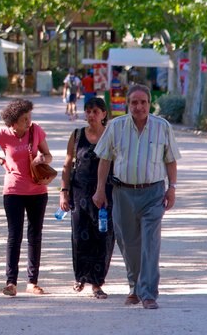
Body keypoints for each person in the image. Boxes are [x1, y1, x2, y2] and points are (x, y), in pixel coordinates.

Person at [92, 84, 180, 310]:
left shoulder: (162, 127)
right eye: (134, 102)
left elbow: (170, 159)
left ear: (149, 104)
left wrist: (172, 188)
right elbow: (104, 160)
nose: (139, 107)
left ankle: (148, 293)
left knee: (150, 243)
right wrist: (100, 189)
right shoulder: (115, 126)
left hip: (153, 193)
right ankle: (134, 287)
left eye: (143, 102)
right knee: (128, 244)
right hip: (122, 193)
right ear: (127, 104)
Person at [0, 99, 53, 297]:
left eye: (29, 117)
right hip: (13, 191)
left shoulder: (36, 131)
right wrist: (1, 161)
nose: (28, 122)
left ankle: (32, 282)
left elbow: (48, 155)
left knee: (35, 236)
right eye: (24, 119)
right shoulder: (2, 134)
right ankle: (11, 282)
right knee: (14, 236)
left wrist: (42, 159)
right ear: (12, 123)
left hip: (37, 191)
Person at [59, 96, 115, 299]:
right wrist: (64, 192)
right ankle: (81, 276)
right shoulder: (76, 135)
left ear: (104, 114)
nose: (91, 115)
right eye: (88, 111)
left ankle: (97, 282)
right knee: (80, 236)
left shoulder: (111, 135)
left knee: (104, 237)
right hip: (80, 192)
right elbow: (67, 165)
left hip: (106, 193)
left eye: (95, 111)